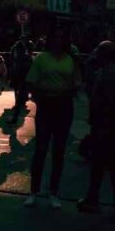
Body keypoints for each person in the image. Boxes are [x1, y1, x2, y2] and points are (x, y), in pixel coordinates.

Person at [23, 28, 79, 209]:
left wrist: (64, 93)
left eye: (61, 38)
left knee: (58, 151)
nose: (58, 41)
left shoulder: (71, 60)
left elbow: (76, 84)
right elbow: (31, 81)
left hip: (63, 107)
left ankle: (53, 192)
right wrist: (41, 97)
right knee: (41, 148)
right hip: (46, 106)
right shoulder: (41, 59)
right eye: (56, 37)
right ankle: (34, 191)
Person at [77, 41, 115, 218]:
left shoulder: (111, 73)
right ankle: (95, 199)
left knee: (110, 164)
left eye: (99, 50)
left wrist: (101, 122)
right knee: (101, 164)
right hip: (105, 124)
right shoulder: (106, 70)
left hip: (107, 125)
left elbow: (109, 102)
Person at [9, 37, 33, 125]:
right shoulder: (23, 51)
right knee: (21, 93)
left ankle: (15, 116)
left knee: (19, 93)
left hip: (20, 73)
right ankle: (15, 116)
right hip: (22, 74)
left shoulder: (18, 49)